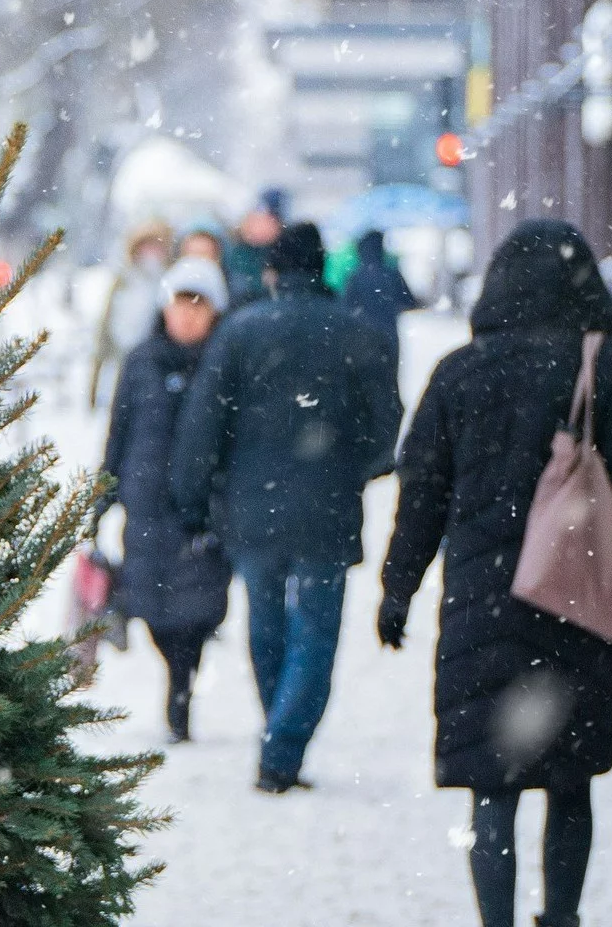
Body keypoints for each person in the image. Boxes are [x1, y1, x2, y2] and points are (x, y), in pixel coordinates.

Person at [378, 219, 612, 927]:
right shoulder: (605, 368)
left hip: (484, 610)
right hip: (580, 603)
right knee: (571, 782)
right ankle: (562, 918)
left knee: (493, 789)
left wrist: (399, 587)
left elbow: (421, 492)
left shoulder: (459, 372)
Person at [171, 221, 402, 792]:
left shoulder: (240, 333)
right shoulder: (357, 333)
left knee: (266, 623)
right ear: (322, 269)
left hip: (253, 509)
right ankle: (285, 743)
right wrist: (355, 470)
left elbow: (204, 423)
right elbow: (385, 429)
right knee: (317, 632)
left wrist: (195, 497)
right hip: (328, 508)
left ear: (272, 272)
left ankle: (277, 733)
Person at [99, 256, 234, 743]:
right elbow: (119, 432)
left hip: (203, 509)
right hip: (147, 504)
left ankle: (182, 689)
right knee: (153, 609)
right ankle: (177, 678)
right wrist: (102, 496)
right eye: (181, 303)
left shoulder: (225, 362)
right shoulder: (141, 361)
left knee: (198, 612)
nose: (188, 315)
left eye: (199, 306)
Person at [89, 219, 173, 406]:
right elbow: (106, 325)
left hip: (154, 363)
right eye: (146, 247)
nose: (151, 253)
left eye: (156, 247)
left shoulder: (168, 282)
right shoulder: (123, 281)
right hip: (121, 360)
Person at [340, 228, 420, 356]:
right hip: (389, 336)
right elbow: (410, 302)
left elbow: (346, 306)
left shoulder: (355, 276)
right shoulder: (393, 274)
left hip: (362, 336)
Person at [222, 188, 286, 311]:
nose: (258, 225)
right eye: (255, 218)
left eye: (267, 220)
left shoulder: (282, 259)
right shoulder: (232, 253)